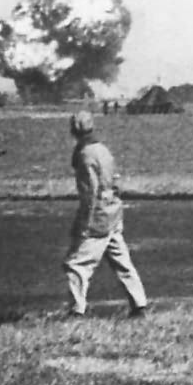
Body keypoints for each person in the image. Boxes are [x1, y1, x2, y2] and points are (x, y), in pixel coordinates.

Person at [62, 110, 148, 318]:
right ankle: (139, 305)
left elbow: (90, 193)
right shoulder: (103, 150)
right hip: (113, 212)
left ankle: (77, 310)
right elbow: (115, 183)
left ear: (73, 130)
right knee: (122, 262)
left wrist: (84, 225)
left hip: (98, 217)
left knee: (76, 264)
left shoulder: (85, 155)